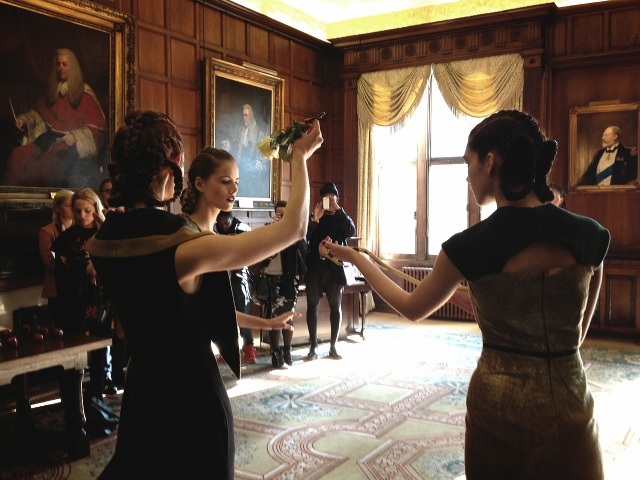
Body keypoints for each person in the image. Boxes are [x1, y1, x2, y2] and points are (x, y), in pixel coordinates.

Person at [322, 110, 610, 480]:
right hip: (571, 402)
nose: (467, 175)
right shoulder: (591, 235)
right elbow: (577, 335)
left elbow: (412, 308)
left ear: (490, 162)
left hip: (498, 407)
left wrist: (357, 258)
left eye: (468, 163)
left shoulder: (469, 245)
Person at [86, 110, 322, 479]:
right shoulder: (183, 246)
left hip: (142, 393)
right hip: (193, 399)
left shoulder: (101, 242)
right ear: (175, 163)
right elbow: (294, 227)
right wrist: (301, 158)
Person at [51, 188, 118, 438]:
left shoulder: (107, 234)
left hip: (103, 300)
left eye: (87, 210)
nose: (81, 215)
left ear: (96, 208)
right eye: (77, 210)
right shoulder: (66, 238)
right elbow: (60, 268)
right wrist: (83, 270)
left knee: (101, 350)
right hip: (75, 302)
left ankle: (96, 399)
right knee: (74, 349)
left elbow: (119, 264)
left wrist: (97, 268)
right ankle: (73, 402)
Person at [4, 48, 107, 188]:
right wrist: (24, 121)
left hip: (69, 148)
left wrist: (76, 137)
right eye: (58, 64)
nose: (60, 68)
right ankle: (9, 197)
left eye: (64, 64)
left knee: (40, 168)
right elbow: (39, 115)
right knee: (17, 156)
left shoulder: (84, 93)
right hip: (48, 142)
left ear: (72, 67)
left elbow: (98, 131)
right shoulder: (54, 91)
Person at [305, 181, 356, 360]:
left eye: (332, 197)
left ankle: (333, 347)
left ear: (337, 199)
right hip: (315, 269)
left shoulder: (341, 217)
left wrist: (339, 210)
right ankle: (313, 346)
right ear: (321, 200)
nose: (329, 200)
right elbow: (305, 239)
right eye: (326, 197)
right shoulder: (314, 217)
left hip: (335, 268)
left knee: (336, 307)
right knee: (312, 305)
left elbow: (351, 231)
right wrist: (315, 220)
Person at [259, 200, 308, 368]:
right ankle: (275, 352)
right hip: (271, 278)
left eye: (285, 214)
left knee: (288, 317)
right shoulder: (268, 229)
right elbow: (261, 253)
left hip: (289, 279)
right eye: (279, 214)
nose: (282, 217)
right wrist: (275, 228)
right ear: (274, 214)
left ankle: (287, 350)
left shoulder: (294, 230)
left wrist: (292, 227)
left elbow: (305, 248)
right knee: (274, 319)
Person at [213, 210, 256, 364]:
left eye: (226, 223)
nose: (224, 226)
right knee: (224, 316)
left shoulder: (243, 229)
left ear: (232, 219)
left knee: (243, 314)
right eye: (221, 223)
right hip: (220, 277)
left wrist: (236, 240)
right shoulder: (213, 230)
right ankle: (226, 351)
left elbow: (252, 248)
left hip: (240, 278)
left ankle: (249, 349)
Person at [38, 189, 74, 327]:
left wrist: (65, 259)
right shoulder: (47, 231)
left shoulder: (81, 228)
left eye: (74, 205)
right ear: (57, 208)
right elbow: (50, 263)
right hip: (57, 289)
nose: (73, 209)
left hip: (80, 287)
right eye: (68, 205)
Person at [220, 103, 268, 198]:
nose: (244, 118)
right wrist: (228, 143)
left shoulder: (259, 132)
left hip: (252, 168)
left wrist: (259, 161)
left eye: (246, 115)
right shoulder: (241, 131)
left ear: (251, 116)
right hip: (240, 166)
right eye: (243, 115)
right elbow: (235, 143)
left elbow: (263, 150)